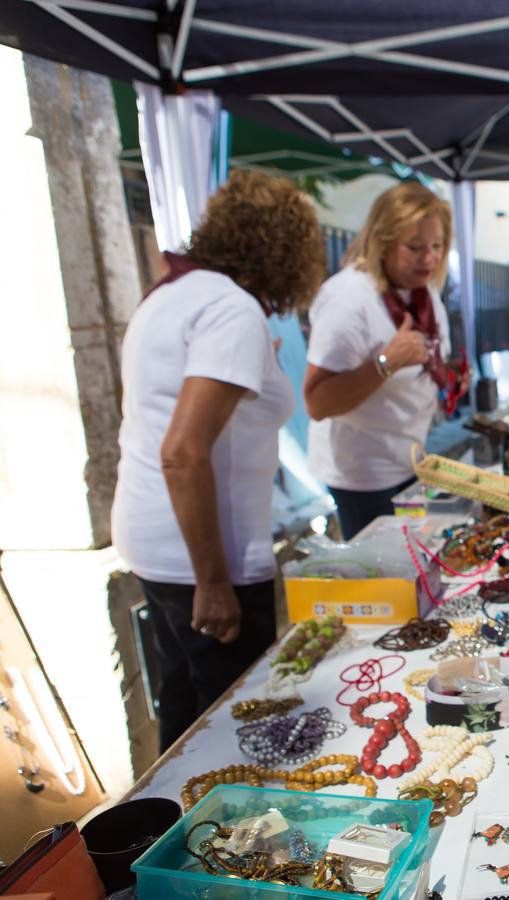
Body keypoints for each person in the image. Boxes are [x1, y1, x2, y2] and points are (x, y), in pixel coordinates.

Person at [111, 171, 325, 751]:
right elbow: (181, 452)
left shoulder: (176, 295)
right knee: (230, 742)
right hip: (205, 555)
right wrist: (213, 581)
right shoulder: (231, 310)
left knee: (182, 723)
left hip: (156, 541)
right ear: (284, 252)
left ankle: (160, 830)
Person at [304, 182, 454, 540]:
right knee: (387, 576)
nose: (430, 258)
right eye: (415, 247)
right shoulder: (348, 300)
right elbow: (317, 401)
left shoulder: (424, 293)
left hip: (411, 461)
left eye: (437, 246)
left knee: (418, 558)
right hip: (364, 475)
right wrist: (386, 362)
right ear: (382, 242)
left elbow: (431, 359)